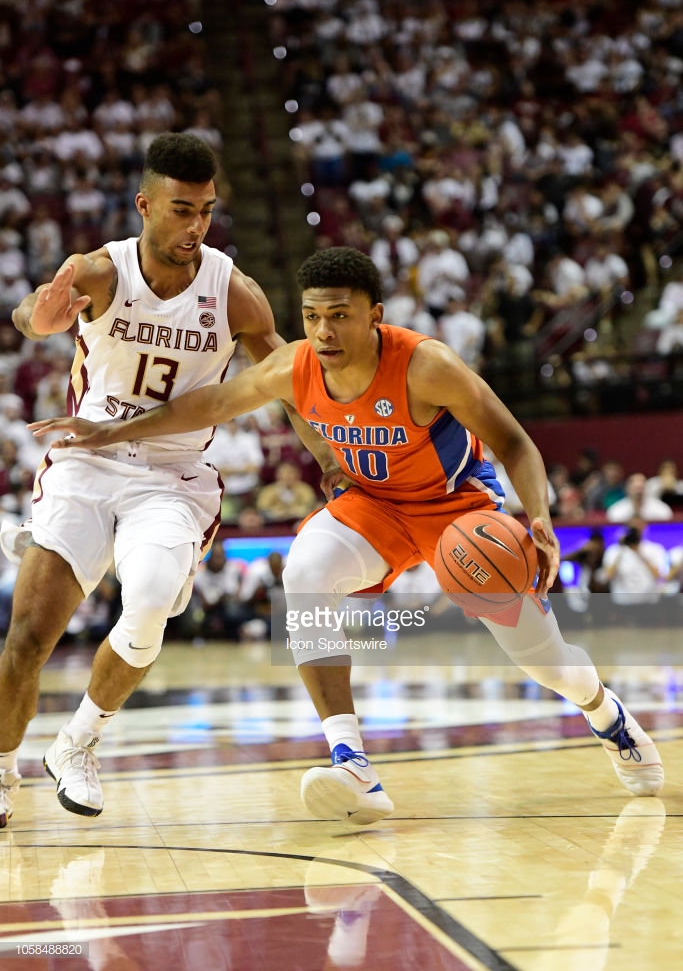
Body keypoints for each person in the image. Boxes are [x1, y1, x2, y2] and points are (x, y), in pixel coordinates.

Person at [30, 246, 665, 825]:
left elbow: (516, 442)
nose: (324, 331)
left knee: (543, 658)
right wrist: (109, 430)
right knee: (303, 574)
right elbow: (210, 405)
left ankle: (606, 713)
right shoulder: (295, 366)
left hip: (456, 512)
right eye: (311, 316)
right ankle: (352, 762)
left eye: (340, 315)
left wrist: (540, 517)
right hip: (374, 508)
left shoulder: (426, 365)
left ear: (374, 315)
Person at [0, 133, 341, 829]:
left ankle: (78, 743)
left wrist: (331, 460)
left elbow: (288, 382)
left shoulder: (232, 291)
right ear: (144, 206)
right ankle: (2, 768)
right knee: (30, 634)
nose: (195, 227)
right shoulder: (101, 272)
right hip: (88, 459)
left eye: (206, 212)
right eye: (181, 210)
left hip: (173, 475)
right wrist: (38, 312)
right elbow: (34, 313)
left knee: (152, 600)